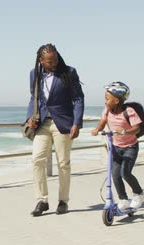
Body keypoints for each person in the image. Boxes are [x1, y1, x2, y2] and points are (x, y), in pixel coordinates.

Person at [26, 43, 84, 216]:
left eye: (56, 59)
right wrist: (30, 116)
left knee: (63, 163)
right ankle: (41, 200)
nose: (54, 63)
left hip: (63, 123)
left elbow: (78, 98)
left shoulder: (69, 72)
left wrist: (77, 123)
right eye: (50, 61)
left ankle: (63, 201)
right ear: (41, 61)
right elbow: (33, 97)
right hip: (42, 122)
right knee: (37, 159)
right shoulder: (34, 74)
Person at [91, 81, 144, 209]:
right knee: (115, 175)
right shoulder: (107, 111)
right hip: (115, 147)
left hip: (130, 147)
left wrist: (125, 131)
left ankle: (139, 193)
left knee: (125, 173)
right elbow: (103, 121)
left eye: (107, 99)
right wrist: (97, 129)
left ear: (116, 100)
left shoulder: (129, 111)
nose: (105, 101)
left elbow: (136, 128)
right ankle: (123, 199)